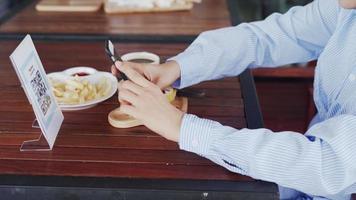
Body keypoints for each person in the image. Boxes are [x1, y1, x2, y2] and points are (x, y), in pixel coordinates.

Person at [111, 0, 356, 199]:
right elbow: (270, 36)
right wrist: (175, 68)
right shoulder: (344, 8)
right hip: (298, 177)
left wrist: (181, 126)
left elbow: (326, 165)